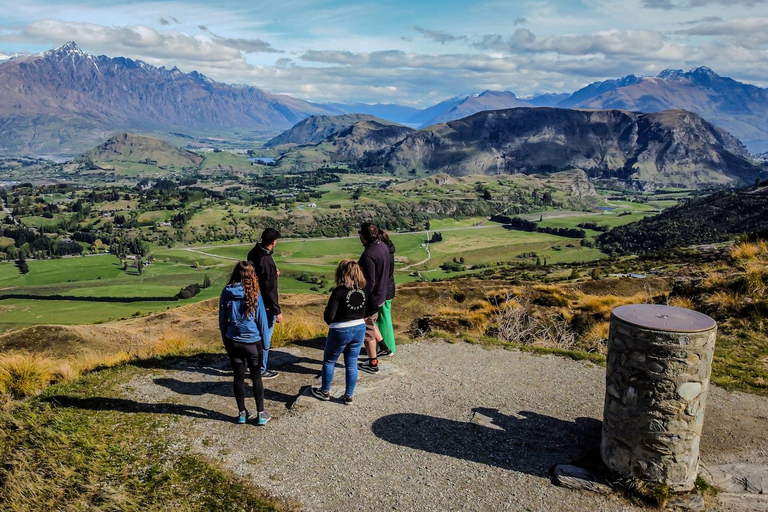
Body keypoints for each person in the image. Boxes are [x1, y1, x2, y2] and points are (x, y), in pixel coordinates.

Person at [311, 259, 377, 404]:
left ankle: (325, 391)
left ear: (341, 273)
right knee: (352, 363)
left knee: (329, 361)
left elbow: (329, 316)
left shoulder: (339, 292)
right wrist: (362, 317)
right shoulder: (365, 289)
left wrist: (333, 323)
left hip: (340, 330)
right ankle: (348, 396)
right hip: (359, 327)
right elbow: (374, 308)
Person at [218, 261, 272, 425]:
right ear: (251, 275)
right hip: (252, 342)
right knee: (256, 377)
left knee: (238, 378)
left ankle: (242, 413)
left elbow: (222, 320)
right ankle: (261, 414)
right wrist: (265, 344)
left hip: (233, 341)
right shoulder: (255, 293)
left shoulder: (226, 292)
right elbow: (262, 321)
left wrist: (226, 341)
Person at [247, 228, 282, 379]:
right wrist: (277, 311)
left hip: (251, 298)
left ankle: (251, 364)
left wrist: (271, 272)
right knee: (265, 335)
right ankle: (260, 368)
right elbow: (270, 289)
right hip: (265, 303)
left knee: (255, 334)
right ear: (273, 242)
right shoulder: (266, 260)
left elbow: (258, 275)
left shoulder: (253, 253)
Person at [357, 222, 391, 373]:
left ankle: (373, 364)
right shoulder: (382, 246)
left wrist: (361, 298)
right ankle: (384, 347)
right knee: (372, 321)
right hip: (382, 292)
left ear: (363, 237)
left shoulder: (368, 254)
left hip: (372, 296)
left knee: (367, 329)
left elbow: (370, 281)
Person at [375, 230, 396, 357]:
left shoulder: (382, 252)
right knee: (383, 317)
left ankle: (387, 347)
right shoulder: (389, 251)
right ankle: (384, 346)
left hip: (384, 290)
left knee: (383, 318)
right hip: (389, 288)